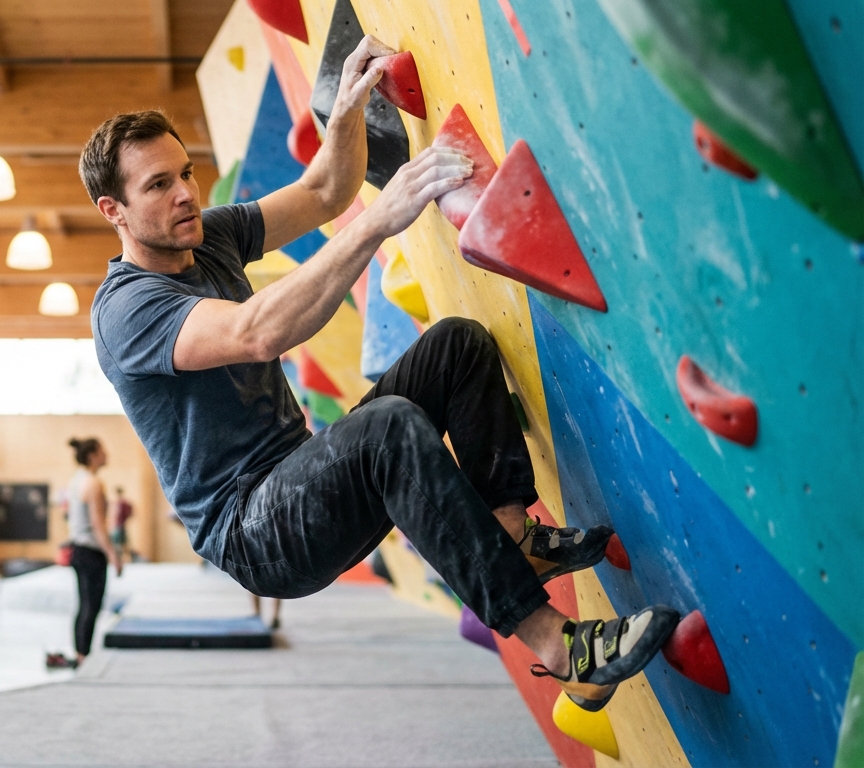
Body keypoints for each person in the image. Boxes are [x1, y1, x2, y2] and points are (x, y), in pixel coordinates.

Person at [81, 35, 678, 712]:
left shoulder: (205, 235)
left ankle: (513, 533)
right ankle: (557, 646)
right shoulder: (127, 311)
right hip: (253, 530)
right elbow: (257, 331)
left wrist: (344, 111)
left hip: (301, 474)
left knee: (455, 347)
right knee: (389, 428)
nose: (185, 193)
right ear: (115, 211)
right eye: (159, 185)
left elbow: (323, 189)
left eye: (186, 172)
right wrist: (378, 225)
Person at [48, 437, 123, 670]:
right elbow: (98, 526)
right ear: (92, 455)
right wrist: (113, 554)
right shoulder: (93, 483)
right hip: (90, 552)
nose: (106, 454)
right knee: (91, 605)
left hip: (78, 550)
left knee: (85, 604)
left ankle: (81, 653)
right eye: (102, 451)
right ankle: (82, 656)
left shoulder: (76, 480)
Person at [110, 486, 134, 563]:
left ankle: (121, 559)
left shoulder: (119, 504)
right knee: (123, 544)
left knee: (118, 544)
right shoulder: (124, 503)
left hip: (118, 526)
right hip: (121, 526)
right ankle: (127, 559)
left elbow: (116, 515)